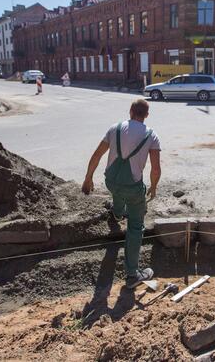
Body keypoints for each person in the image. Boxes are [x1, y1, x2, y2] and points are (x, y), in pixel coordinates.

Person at [82, 99, 162, 288]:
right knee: (135, 227)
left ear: (130, 111)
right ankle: (133, 275)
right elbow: (156, 169)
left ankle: (117, 213)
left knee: (118, 191)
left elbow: (96, 155)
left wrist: (88, 178)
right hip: (133, 188)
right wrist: (154, 186)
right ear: (146, 115)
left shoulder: (115, 128)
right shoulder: (151, 135)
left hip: (111, 181)